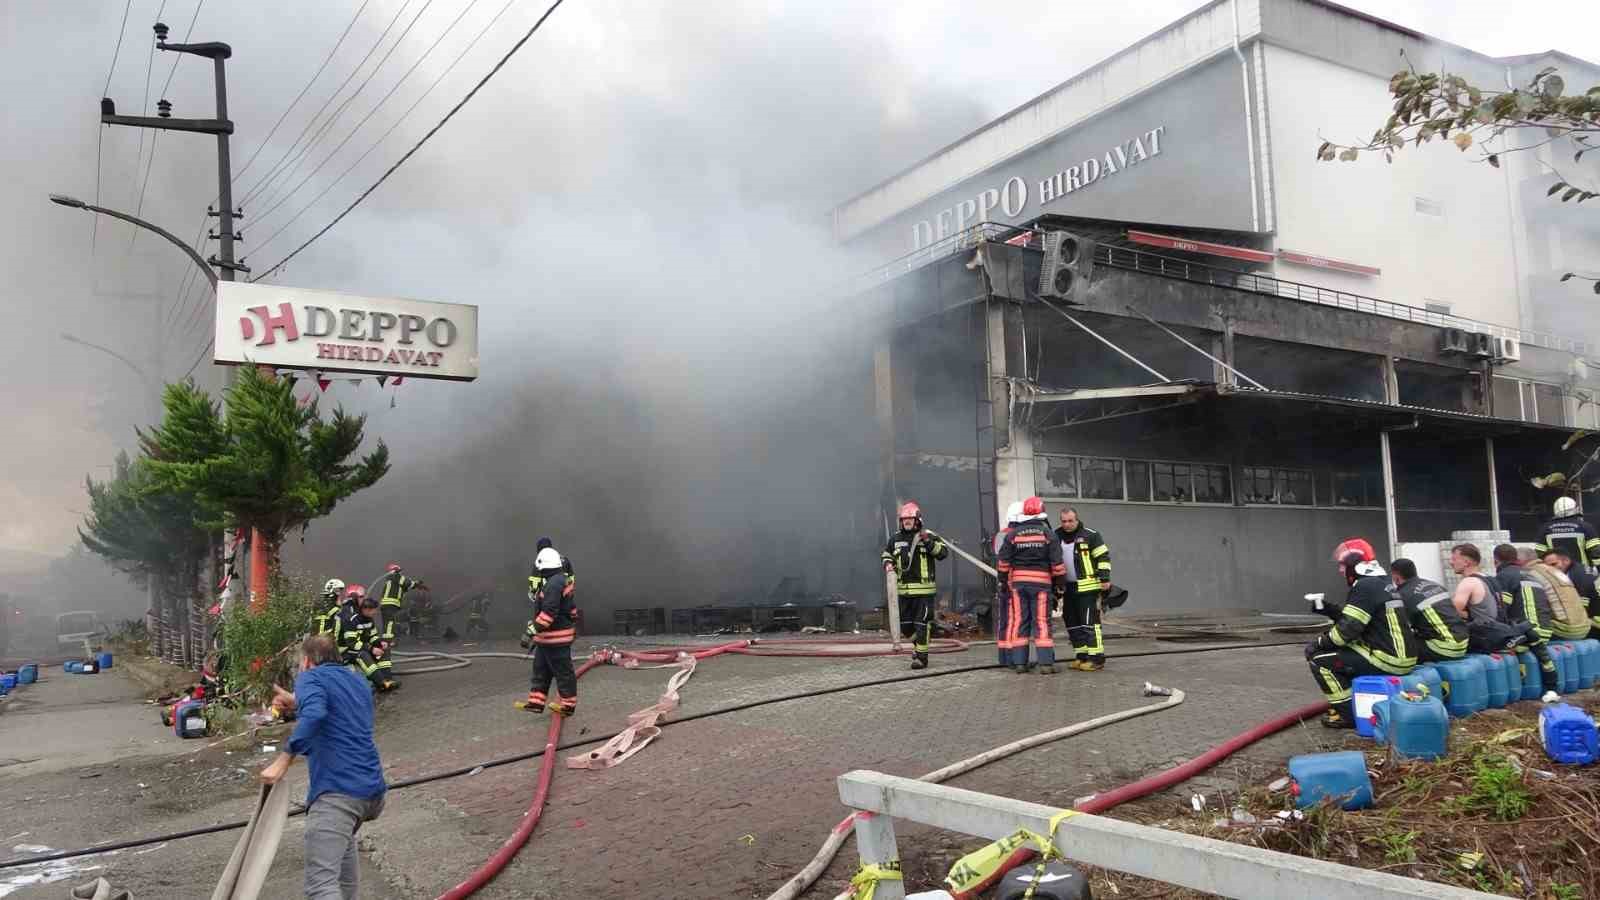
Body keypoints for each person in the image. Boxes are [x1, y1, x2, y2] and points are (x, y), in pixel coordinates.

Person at [260, 634, 386, 900]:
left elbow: (316, 715)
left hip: (338, 793)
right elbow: (337, 714)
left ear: (306, 661)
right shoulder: (357, 680)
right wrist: (298, 703)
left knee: (321, 886)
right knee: (342, 874)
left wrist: (282, 761)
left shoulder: (310, 678)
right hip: (371, 792)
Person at [1306, 538, 1418, 729]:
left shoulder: (1364, 586)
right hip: (1402, 655)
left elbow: (1345, 632)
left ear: (1353, 565)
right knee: (1342, 651)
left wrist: (1318, 642)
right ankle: (1354, 703)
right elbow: (1357, 620)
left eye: (1342, 566)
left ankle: (1349, 715)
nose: (1341, 571)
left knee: (1319, 659)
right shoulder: (1381, 582)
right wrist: (1328, 609)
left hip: (1388, 658)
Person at [996, 497, 1068, 675]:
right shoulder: (1048, 534)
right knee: (1041, 622)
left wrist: (1003, 581)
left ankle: (1020, 663)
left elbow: (1003, 562)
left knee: (1021, 622)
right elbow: (1057, 564)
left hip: (1019, 586)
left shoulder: (1013, 534)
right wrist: (1060, 585)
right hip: (1041, 585)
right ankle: (1046, 664)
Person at [880, 502, 949, 669]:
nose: (907, 523)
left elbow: (943, 553)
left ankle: (921, 658)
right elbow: (886, 553)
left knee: (921, 623)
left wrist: (928, 542)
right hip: (904, 592)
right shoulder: (895, 539)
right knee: (905, 627)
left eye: (910, 520)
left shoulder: (928, 536)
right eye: (904, 520)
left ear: (918, 520)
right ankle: (920, 645)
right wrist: (888, 563)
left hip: (924, 592)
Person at [1491, 544, 1560, 696]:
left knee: (1488, 645)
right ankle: (1551, 687)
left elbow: (1502, 610)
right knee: (1542, 654)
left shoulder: (1504, 576)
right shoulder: (1531, 575)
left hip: (1528, 633)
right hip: (1546, 631)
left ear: (1495, 561)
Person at [521, 547, 578, 716]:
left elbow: (549, 613)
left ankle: (568, 705)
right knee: (541, 670)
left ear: (544, 567)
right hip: (547, 639)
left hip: (556, 639)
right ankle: (536, 702)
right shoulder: (558, 581)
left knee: (562, 671)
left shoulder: (554, 584)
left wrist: (530, 631)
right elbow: (571, 609)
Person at [1054, 507, 1112, 671]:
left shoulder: (1090, 535)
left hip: (1088, 588)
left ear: (1077, 520)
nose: (1067, 524)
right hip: (1067, 588)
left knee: (1090, 624)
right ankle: (1082, 656)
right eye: (1064, 521)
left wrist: (1105, 578)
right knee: (1072, 623)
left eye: (1070, 521)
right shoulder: (1056, 536)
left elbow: (1103, 557)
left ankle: (1097, 659)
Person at [1390, 559, 1468, 662]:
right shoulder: (1435, 585)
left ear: (1396, 576)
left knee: (1396, 647)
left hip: (1443, 648)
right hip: (1463, 642)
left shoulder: (1403, 595)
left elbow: (1400, 628)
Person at [1529, 549, 1598, 641]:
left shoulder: (1576, 576)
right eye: (1547, 566)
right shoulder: (1581, 569)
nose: (1550, 569)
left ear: (1566, 561)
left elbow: (1578, 609)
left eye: (1553, 564)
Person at [339, 589, 399, 693]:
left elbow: (373, 636)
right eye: (373, 610)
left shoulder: (369, 619)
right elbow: (351, 643)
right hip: (347, 650)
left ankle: (388, 679)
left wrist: (380, 643)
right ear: (365, 610)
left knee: (385, 650)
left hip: (362, 646)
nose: (375, 612)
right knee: (363, 655)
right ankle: (381, 683)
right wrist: (371, 649)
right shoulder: (352, 620)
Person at [991, 501, 1024, 667]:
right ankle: (1012, 657)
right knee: (1014, 620)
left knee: (1003, 621)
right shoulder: (1017, 535)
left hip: (1003, 582)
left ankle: (1003, 656)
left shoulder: (1000, 534)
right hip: (1014, 583)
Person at [1534, 496, 1600, 574]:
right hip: (1582, 573)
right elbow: (1596, 552)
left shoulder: (1545, 529)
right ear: (1575, 509)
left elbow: (1539, 554)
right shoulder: (1586, 527)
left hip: (1557, 574)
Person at [372, 563, 415, 657]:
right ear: (397, 571)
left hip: (385, 605)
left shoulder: (390, 581)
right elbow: (407, 583)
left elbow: (404, 588)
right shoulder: (397, 577)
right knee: (390, 623)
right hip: (391, 604)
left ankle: (387, 642)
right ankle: (388, 642)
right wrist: (416, 584)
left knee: (387, 623)